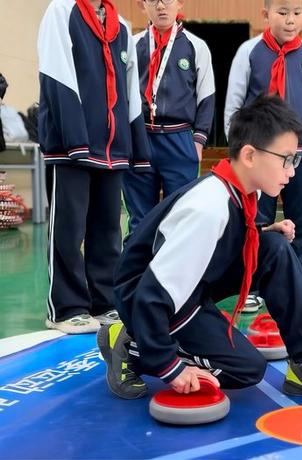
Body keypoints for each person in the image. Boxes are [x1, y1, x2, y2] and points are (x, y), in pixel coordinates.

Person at [98, 96, 302, 405]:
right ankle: (130, 343)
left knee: (274, 249)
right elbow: (151, 295)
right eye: (286, 159)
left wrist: (262, 232)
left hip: (185, 287)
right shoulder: (209, 208)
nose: (292, 171)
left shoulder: (237, 188)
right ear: (250, 155)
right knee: (245, 369)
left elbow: (218, 241)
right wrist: (170, 367)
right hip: (148, 300)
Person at [38, 0, 150, 334]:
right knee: (69, 229)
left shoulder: (124, 27)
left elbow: (131, 90)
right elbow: (56, 75)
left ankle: (104, 301)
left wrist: (134, 145)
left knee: (108, 229)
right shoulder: (60, 11)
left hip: (111, 148)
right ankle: (66, 306)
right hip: (70, 144)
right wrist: (76, 139)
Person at [223, 0, 302, 301]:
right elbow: (235, 103)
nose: (290, 20)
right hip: (262, 153)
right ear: (265, 14)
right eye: (282, 13)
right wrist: (239, 151)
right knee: (258, 220)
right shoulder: (250, 52)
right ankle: (254, 287)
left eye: (297, 13)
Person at [122, 0, 215, 233]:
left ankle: (176, 270)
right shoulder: (132, 45)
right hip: (140, 138)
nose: (161, 7)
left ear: (180, 3)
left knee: (181, 215)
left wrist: (199, 141)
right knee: (140, 219)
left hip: (179, 139)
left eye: (168, 0)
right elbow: (122, 95)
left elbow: (206, 96)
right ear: (143, 5)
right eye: (154, 1)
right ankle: (137, 270)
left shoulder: (197, 46)